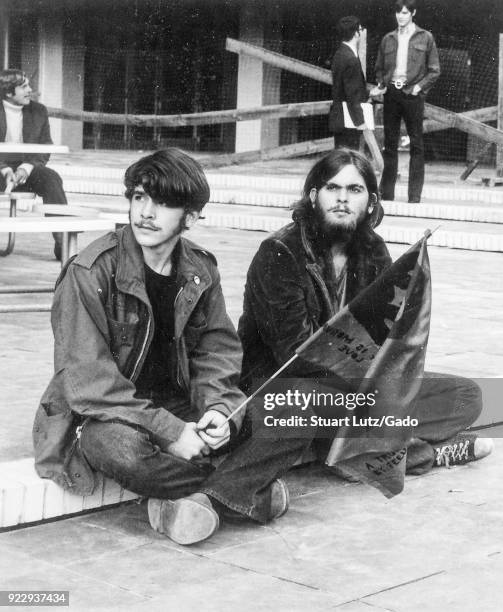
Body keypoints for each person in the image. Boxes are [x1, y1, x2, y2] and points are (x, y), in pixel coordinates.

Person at [33, 149, 310, 545]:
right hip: (109, 412)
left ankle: (201, 498)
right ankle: (241, 491)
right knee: (113, 447)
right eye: (139, 197)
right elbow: (88, 383)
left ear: (191, 218)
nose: (146, 211)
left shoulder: (200, 270)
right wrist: (172, 432)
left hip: (181, 402)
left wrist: (219, 410)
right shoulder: (89, 271)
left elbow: (216, 352)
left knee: (295, 406)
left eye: (163, 203)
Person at [239, 148, 492, 476]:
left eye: (354, 190)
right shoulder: (280, 252)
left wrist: (389, 382)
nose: (342, 199)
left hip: (355, 387)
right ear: (314, 196)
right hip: (287, 388)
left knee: (465, 396)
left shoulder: (373, 250)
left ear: (371, 202)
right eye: (332, 188)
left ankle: (348, 449)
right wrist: (370, 390)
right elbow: (294, 353)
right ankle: (425, 454)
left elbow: (389, 335)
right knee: (324, 406)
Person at [370, 0, 440, 203]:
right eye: (398, 13)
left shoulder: (425, 37)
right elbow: (379, 68)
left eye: (404, 12)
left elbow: (434, 70)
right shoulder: (388, 39)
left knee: (416, 145)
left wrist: (418, 88)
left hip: (413, 95)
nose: (401, 16)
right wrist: (383, 83)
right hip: (392, 94)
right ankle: (388, 195)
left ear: (413, 13)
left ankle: (414, 197)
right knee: (389, 145)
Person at [0, 69, 68, 260]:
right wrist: (4, 169)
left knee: (51, 178)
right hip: (0, 169)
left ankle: (63, 243)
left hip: (28, 168)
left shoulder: (39, 111)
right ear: (8, 92)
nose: (30, 90)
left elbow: (46, 145)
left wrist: (27, 167)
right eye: (24, 87)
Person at [329, 16, 369, 150]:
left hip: (339, 117)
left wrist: (370, 92)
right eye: (361, 29)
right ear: (356, 33)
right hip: (349, 120)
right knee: (348, 159)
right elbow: (352, 94)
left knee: (340, 159)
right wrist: (360, 121)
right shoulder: (351, 59)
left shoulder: (339, 54)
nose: (361, 32)